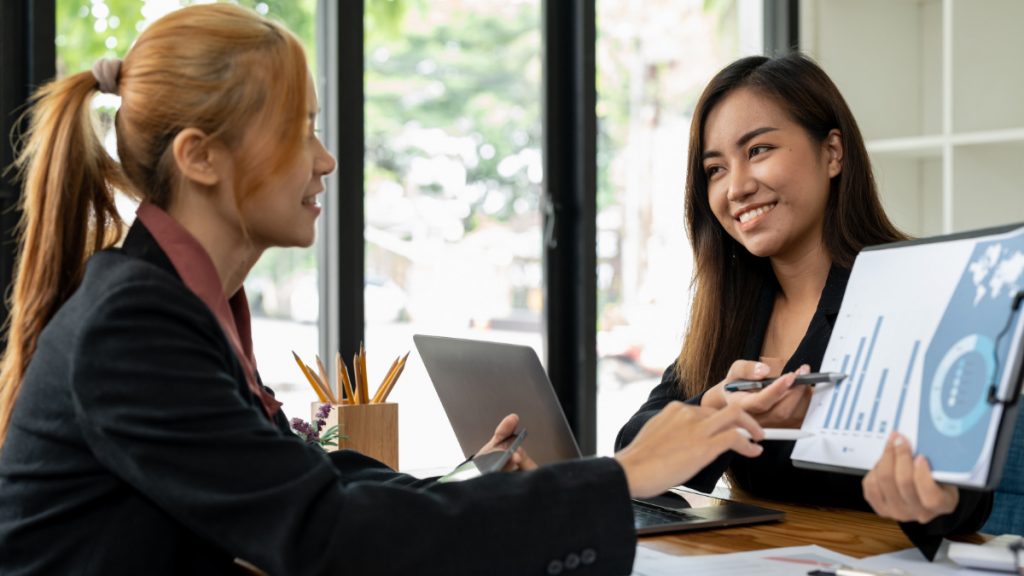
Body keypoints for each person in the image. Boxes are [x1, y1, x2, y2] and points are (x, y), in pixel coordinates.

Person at [0, 5, 768, 575]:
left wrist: (471, 482)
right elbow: (325, 533)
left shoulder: (169, 303)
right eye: (300, 129)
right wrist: (624, 476)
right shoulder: (136, 322)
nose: (325, 160)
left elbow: (304, 478)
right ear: (201, 157)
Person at [615, 53, 992, 559]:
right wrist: (714, 410)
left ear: (832, 153)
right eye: (715, 169)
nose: (736, 186)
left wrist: (928, 497)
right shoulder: (735, 308)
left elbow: (965, 502)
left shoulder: (917, 290)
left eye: (760, 149)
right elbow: (634, 454)